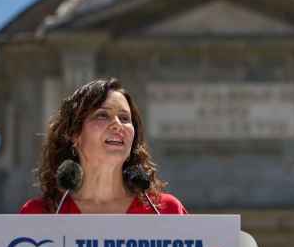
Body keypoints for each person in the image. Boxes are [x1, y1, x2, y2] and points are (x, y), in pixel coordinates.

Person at [20, 78, 187, 214]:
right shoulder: (41, 214)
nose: (117, 125)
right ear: (74, 135)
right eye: (102, 115)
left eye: (124, 118)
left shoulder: (166, 211)